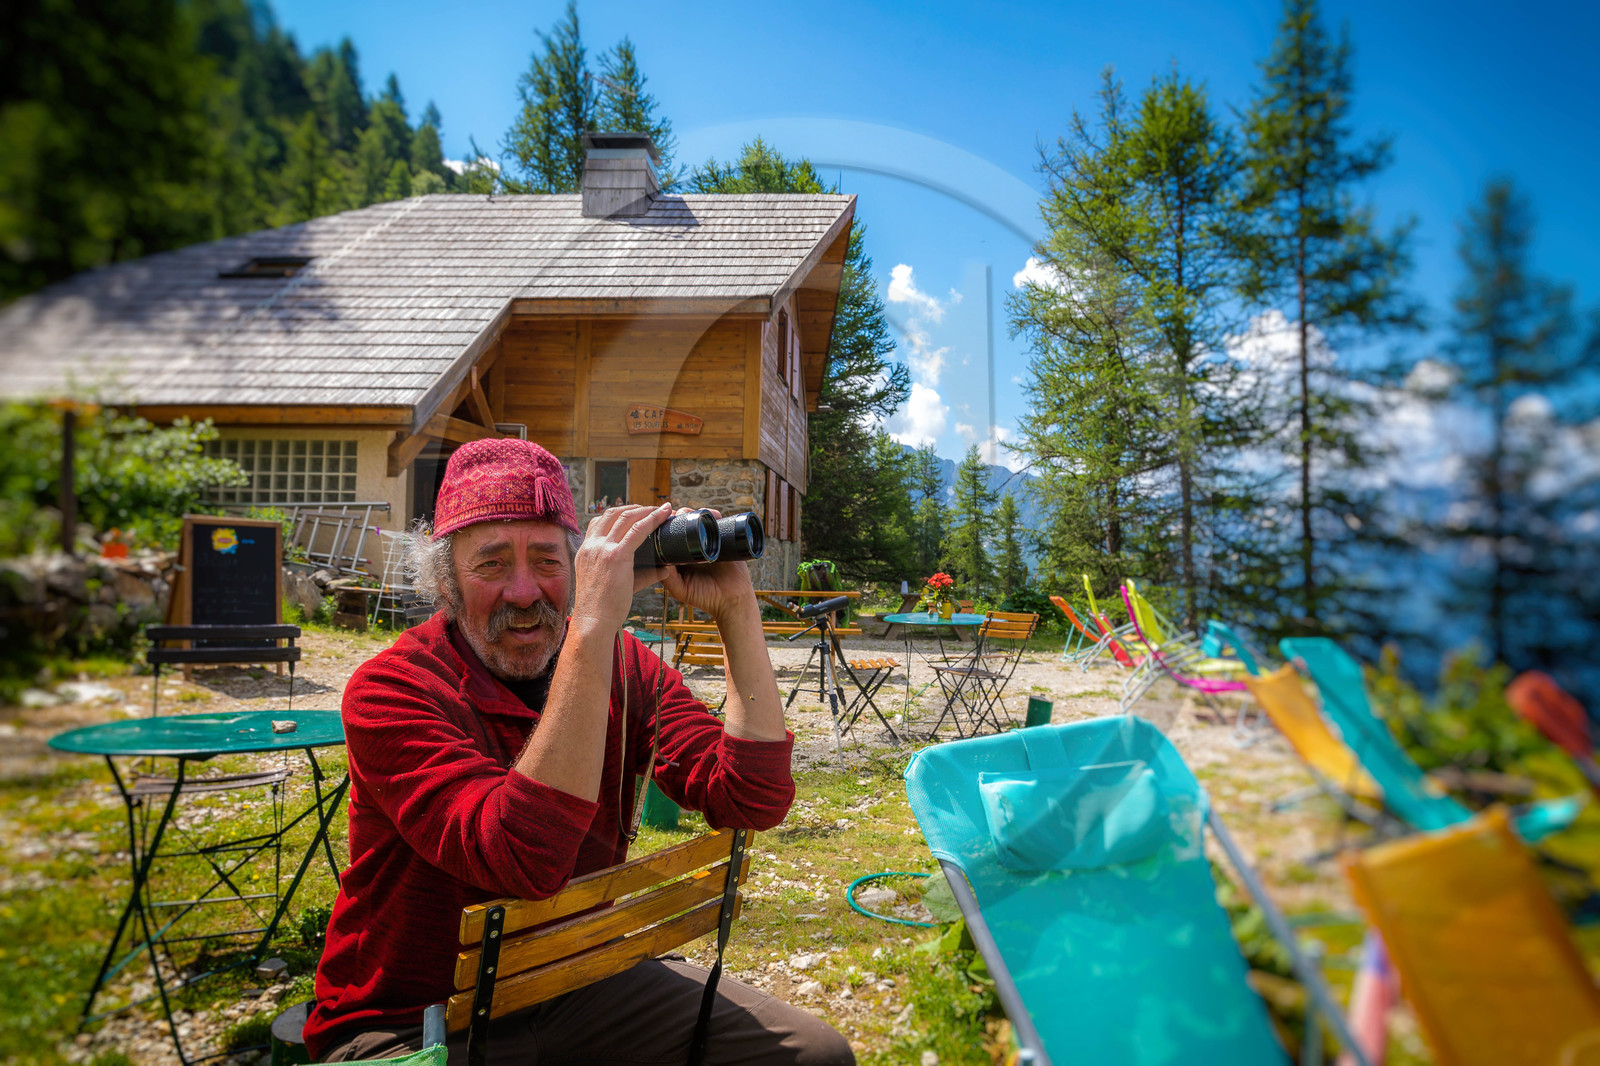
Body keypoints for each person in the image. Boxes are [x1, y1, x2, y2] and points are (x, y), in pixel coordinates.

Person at [304, 439, 852, 1065]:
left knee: (815, 1055)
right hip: (415, 1016)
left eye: (548, 560)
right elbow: (522, 859)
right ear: (445, 582)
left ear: (578, 565)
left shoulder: (624, 666)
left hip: (577, 976)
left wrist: (735, 608)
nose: (523, 592)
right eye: (490, 564)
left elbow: (751, 797)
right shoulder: (393, 689)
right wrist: (592, 626)